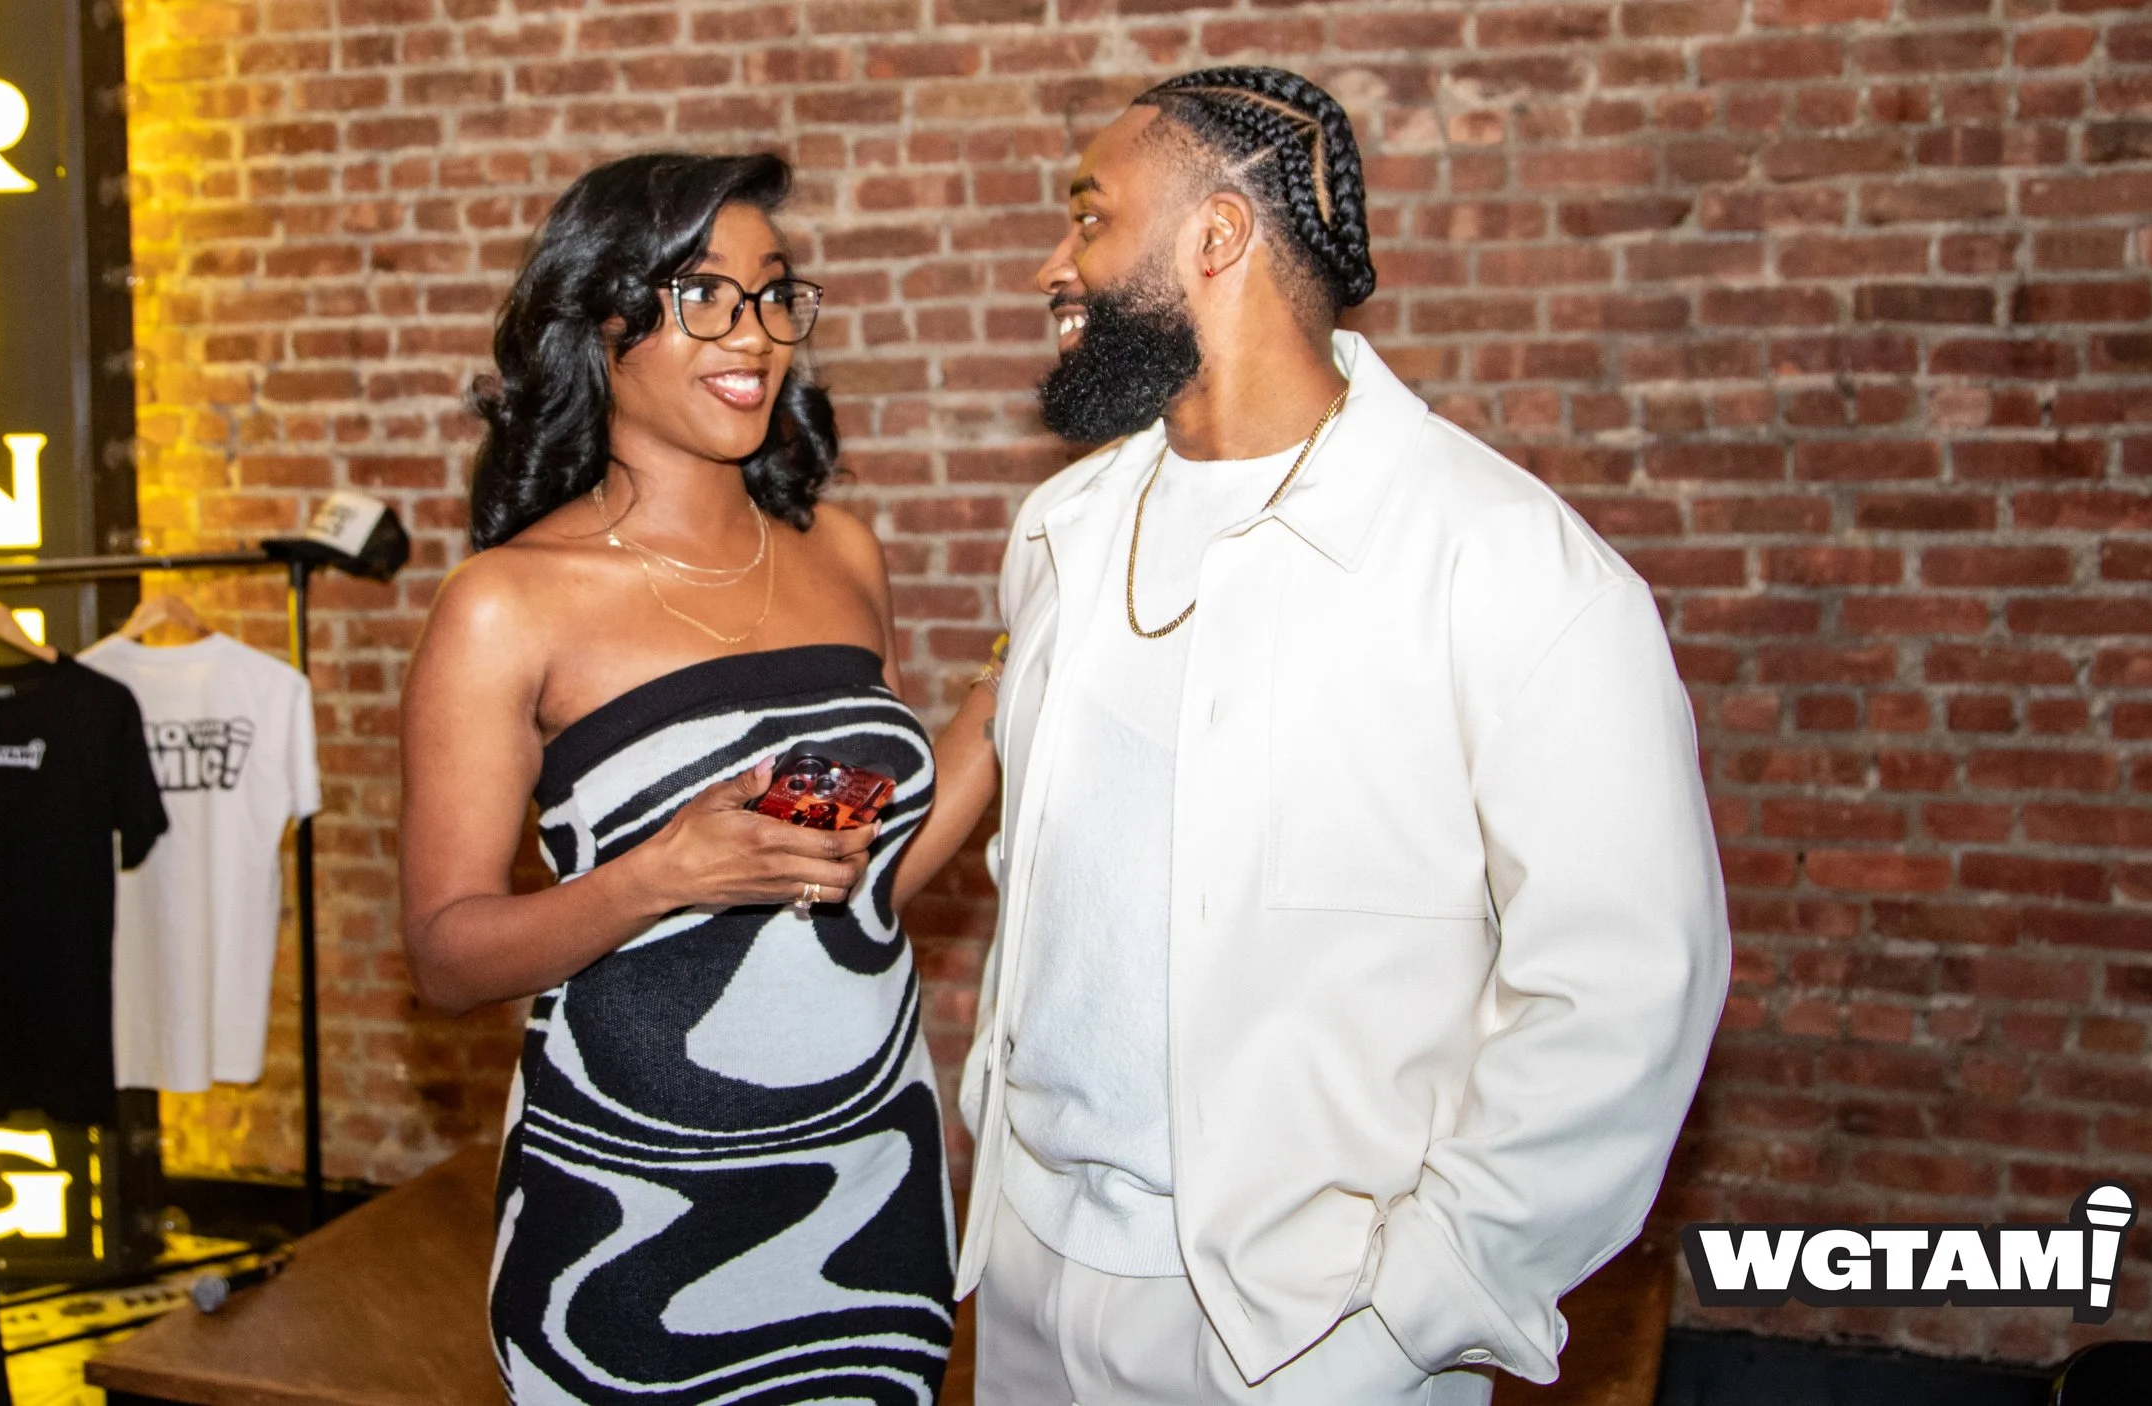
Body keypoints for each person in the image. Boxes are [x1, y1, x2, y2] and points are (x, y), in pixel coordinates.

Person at [958, 67, 1731, 1403]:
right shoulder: (1060, 535)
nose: (1054, 262)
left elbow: (1625, 985)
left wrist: (1413, 1307)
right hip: (1029, 1279)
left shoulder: (1501, 563)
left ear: (1215, 235)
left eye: (1089, 216)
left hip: (1308, 1329)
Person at [398, 151, 997, 1404]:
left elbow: (856, 869)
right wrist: (663, 872)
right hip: (629, 1217)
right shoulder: (508, 604)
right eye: (701, 295)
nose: (754, 334)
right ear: (599, 320)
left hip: (864, 1191)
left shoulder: (837, 551)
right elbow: (448, 955)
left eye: (774, 295)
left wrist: (1012, 696)